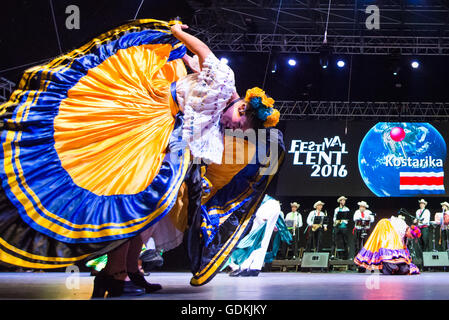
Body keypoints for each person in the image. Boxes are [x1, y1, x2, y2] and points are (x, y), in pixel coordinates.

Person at [0, 19, 283, 298]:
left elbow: (196, 68)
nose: (235, 128)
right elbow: (204, 52)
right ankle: (115, 274)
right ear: (243, 107)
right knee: (132, 197)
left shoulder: (218, 115)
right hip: (149, 117)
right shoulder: (224, 80)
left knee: (151, 208)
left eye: (240, 129)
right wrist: (174, 33)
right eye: (239, 123)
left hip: (166, 135)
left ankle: (130, 269)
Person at [226, 195, 283, 277]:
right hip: (272, 206)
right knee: (263, 240)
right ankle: (255, 268)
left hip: (264, 207)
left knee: (254, 240)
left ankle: (244, 267)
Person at [354, 216, 421, 275]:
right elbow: (399, 244)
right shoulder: (402, 228)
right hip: (385, 226)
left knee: (383, 248)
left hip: (385, 227)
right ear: (409, 231)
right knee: (388, 248)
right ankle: (390, 266)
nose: (411, 238)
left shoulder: (404, 230)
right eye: (411, 236)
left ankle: (389, 266)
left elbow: (402, 246)